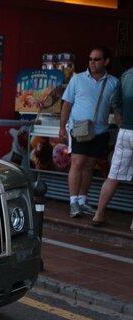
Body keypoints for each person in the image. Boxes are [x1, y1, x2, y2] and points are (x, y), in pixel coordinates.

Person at [59, 47, 119, 218]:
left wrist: (122, 128)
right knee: (77, 163)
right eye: (90, 59)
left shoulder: (113, 83)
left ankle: (82, 201)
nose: (92, 62)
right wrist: (62, 127)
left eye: (97, 59)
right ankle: (73, 203)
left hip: (100, 130)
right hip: (79, 128)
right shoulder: (77, 79)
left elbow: (116, 109)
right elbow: (67, 104)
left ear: (106, 61)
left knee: (89, 166)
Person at [91, 65, 133, 229]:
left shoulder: (127, 74)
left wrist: (123, 121)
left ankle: (98, 214)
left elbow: (114, 100)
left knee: (113, 175)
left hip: (125, 131)